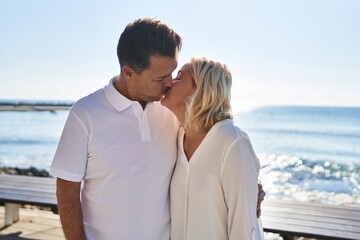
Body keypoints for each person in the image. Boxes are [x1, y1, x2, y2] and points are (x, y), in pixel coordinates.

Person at [50, 18, 264, 240]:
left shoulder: (171, 112)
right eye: (161, 77)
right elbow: (67, 190)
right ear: (129, 72)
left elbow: (212, 150)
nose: (170, 83)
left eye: (173, 73)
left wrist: (248, 185)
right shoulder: (85, 113)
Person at [161, 57, 264, 239]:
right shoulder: (175, 136)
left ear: (201, 90)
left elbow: (243, 228)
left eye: (179, 77)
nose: (169, 82)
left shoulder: (233, 142)